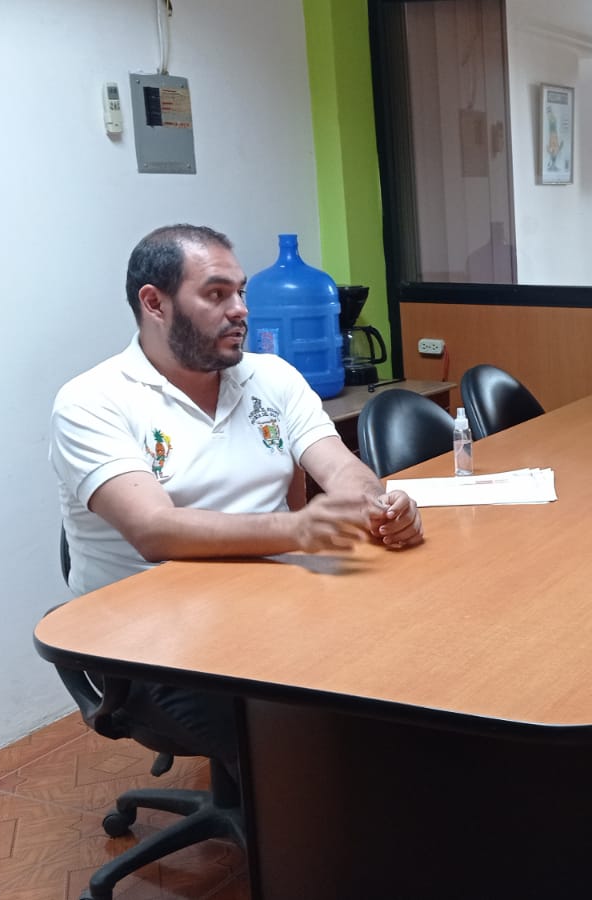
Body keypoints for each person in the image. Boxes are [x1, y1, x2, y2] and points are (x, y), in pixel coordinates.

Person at [50, 223, 424, 771]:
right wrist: (296, 530)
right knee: (323, 743)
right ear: (154, 303)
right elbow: (154, 530)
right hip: (149, 648)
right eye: (216, 294)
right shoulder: (92, 401)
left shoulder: (271, 377)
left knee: (408, 664)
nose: (241, 310)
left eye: (241, 292)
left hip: (273, 607)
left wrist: (379, 504)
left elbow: (339, 466)